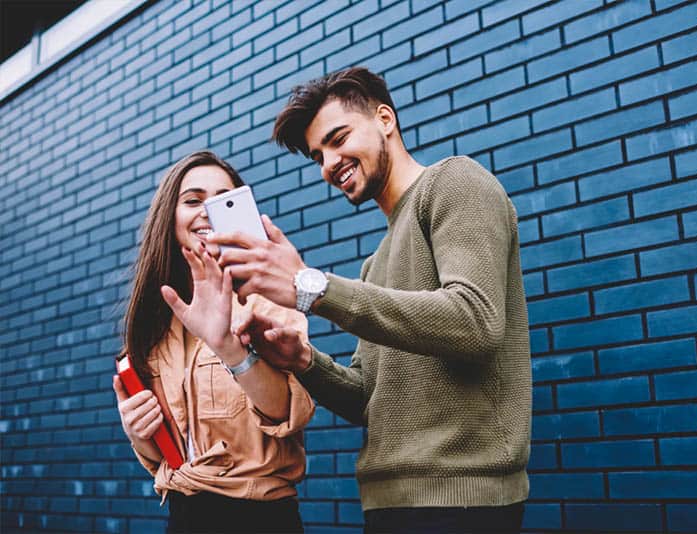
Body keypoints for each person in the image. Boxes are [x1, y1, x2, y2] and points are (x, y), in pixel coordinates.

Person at [211, 67, 532, 533]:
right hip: (388, 505)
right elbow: (368, 399)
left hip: (464, 504)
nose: (329, 163)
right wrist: (303, 360)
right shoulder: (374, 264)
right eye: (319, 155)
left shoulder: (455, 183)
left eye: (339, 138)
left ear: (385, 118)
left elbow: (475, 321)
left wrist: (313, 288)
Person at [112, 150, 314, 533]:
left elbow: (288, 412)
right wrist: (139, 433)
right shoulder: (157, 317)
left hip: (259, 517)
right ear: (169, 218)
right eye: (192, 200)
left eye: (223, 199)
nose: (206, 211)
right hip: (183, 516)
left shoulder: (267, 297)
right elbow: (168, 453)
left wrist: (228, 346)